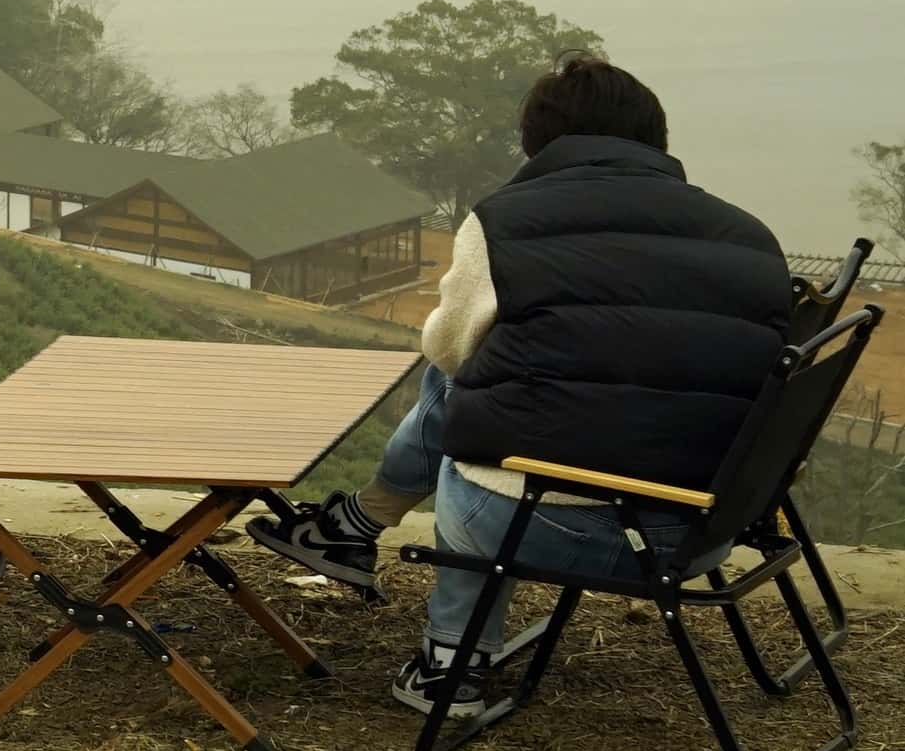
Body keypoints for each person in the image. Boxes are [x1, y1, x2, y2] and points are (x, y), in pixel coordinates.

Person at [248, 54, 796, 716]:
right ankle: (354, 527)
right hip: (699, 533)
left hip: (546, 529)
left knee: (463, 402)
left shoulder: (504, 220)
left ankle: (445, 661)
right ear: (656, 138)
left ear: (536, 142)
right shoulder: (751, 236)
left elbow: (446, 349)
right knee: (491, 389)